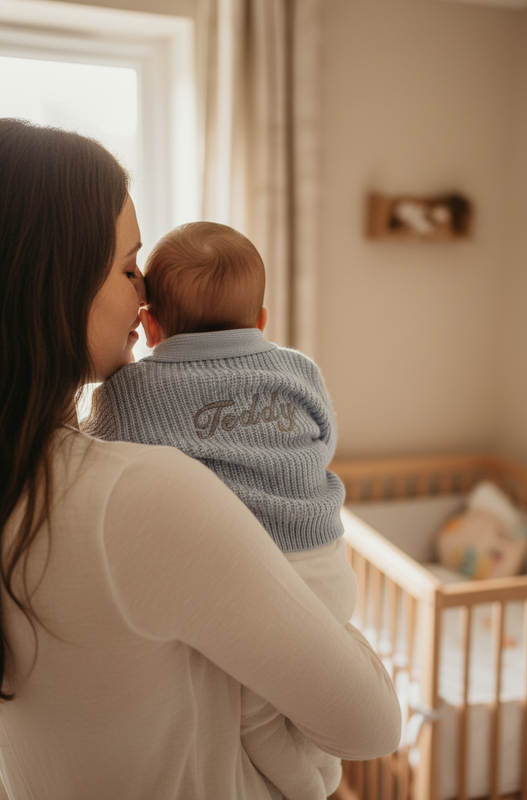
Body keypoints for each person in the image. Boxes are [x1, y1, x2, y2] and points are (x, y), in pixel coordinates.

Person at [0, 118, 401, 800]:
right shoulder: (137, 495)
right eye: (129, 267)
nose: (144, 294)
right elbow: (372, 725)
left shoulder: (30, 479)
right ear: (54, 280)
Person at [84, 221, 356, 799]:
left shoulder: (129, 392)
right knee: (319, 695)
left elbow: (94, 459)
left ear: (150, 322)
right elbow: (322, 443)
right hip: (325, 567)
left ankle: (309, 788)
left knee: (255, 712)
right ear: (261, 321)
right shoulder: (299, 370)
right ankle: (328, 772)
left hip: (246, 587)